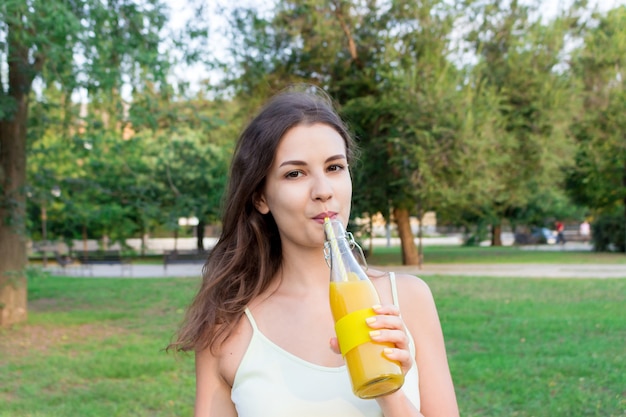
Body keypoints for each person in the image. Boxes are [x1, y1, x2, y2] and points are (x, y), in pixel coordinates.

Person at [168, 86, 459, 417]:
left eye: (334, 167)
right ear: (260, 197)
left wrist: (389, 391)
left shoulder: (408, 299)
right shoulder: (226, 327)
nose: (323, 191)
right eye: (295, 173)